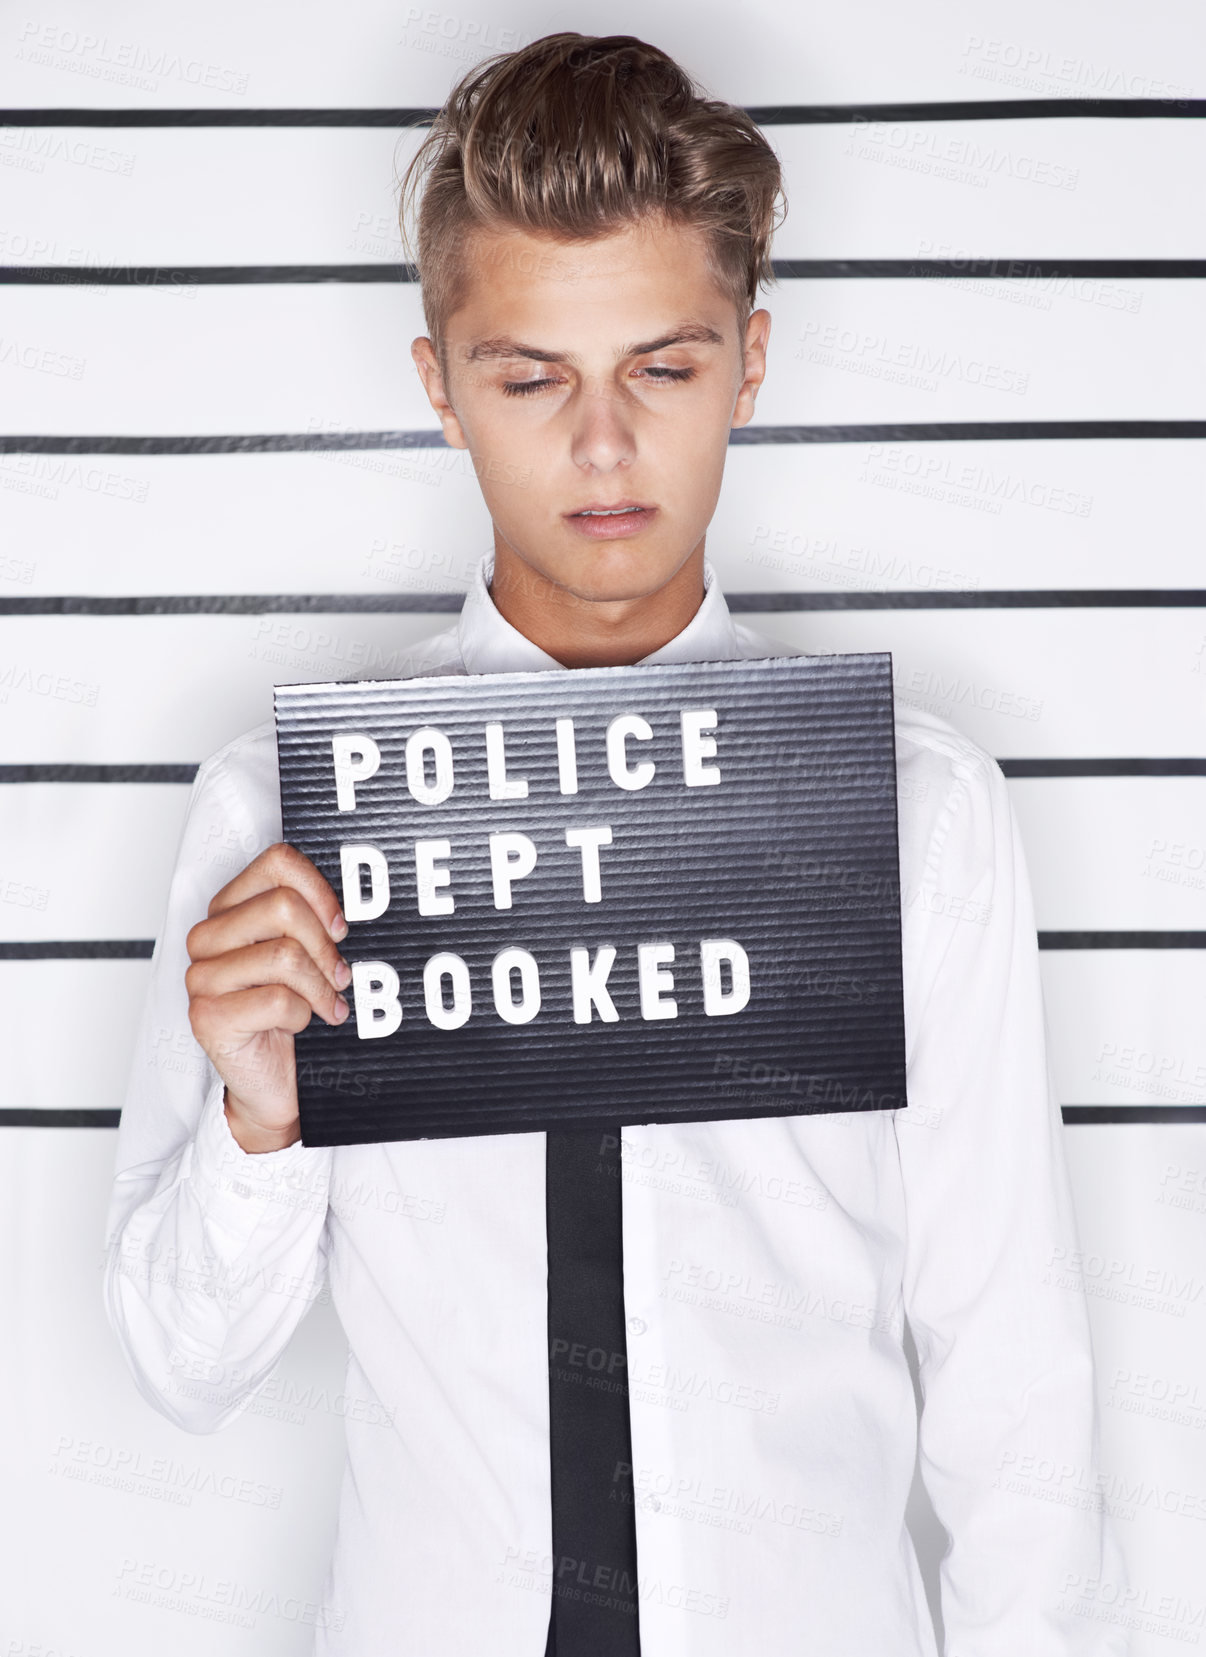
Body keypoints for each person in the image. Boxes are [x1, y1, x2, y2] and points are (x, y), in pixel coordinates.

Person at [103, 32, 1129, 1656]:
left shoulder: (907, 809)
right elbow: (179, 1362)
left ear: (748, 362)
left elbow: (1010, 1377)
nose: (599, 448)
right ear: (438, 383)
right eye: (529, 376)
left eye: (660, 367)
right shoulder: (282, 819)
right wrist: (257, 1115)